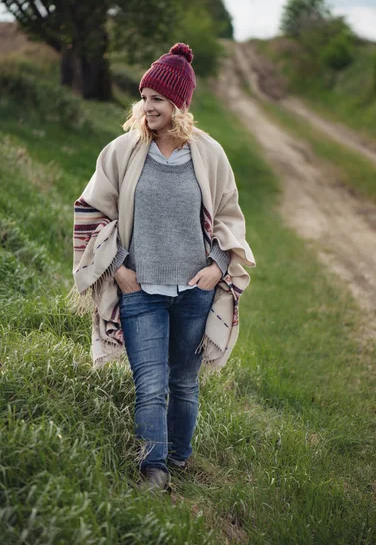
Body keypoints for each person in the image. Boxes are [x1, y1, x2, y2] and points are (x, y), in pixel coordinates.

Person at [72, 43, 255, 492]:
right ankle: (153, 470)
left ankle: (179, 457)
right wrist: (117, 268)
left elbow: (229, 216)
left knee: (185, 384)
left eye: (158, 98)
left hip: (195, 291)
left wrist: (216, 266)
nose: (147, 107)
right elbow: (90, 211)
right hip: (141, 292)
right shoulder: (122, 152)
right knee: (150, 385)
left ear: (179, 104)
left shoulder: (208, 155)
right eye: (144, 97)